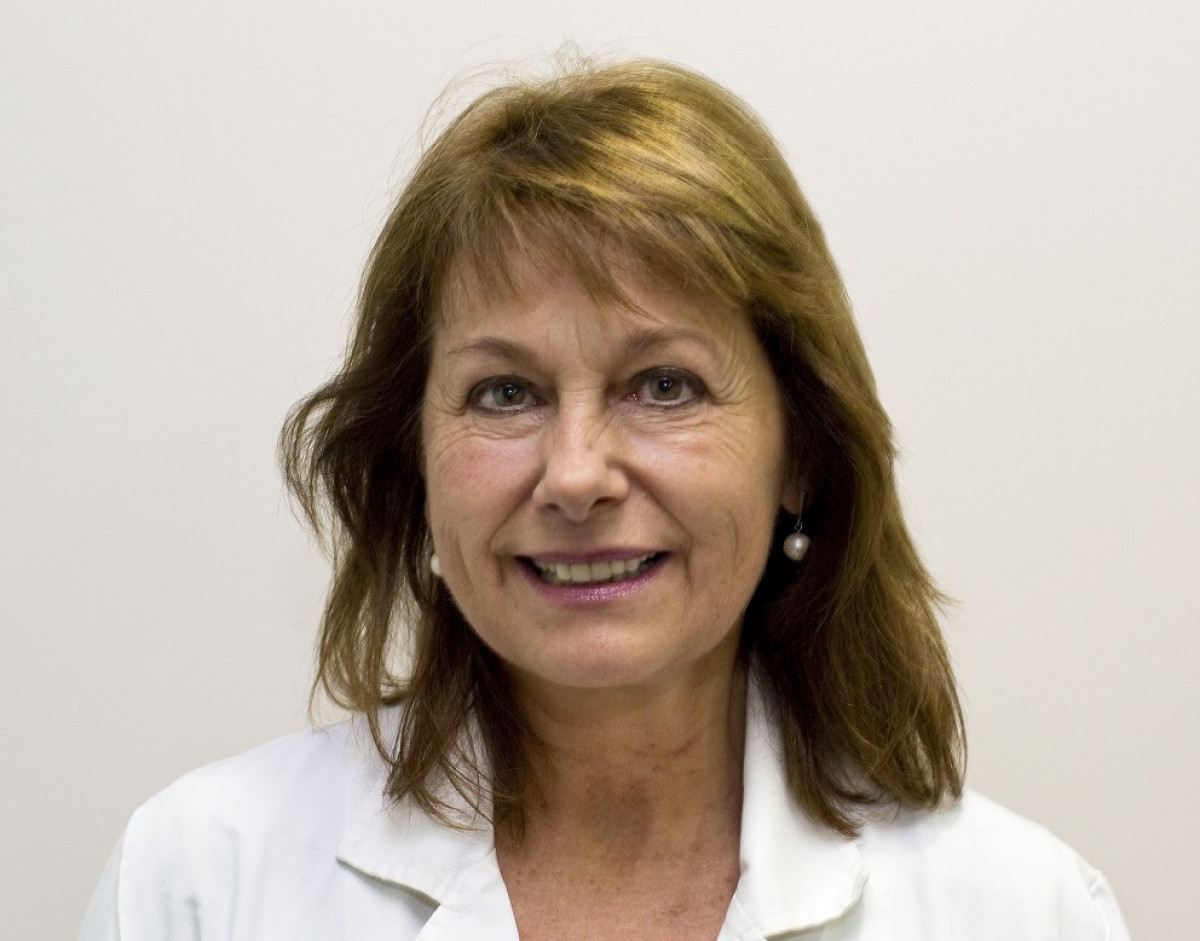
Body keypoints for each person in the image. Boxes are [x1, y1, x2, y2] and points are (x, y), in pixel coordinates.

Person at [79, 58, 1130, 940]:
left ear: (801, 453)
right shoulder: (197, 885)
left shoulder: (1021, 911)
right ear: (416, 462)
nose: (577, 474)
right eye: (505, 393)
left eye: (664, 385)